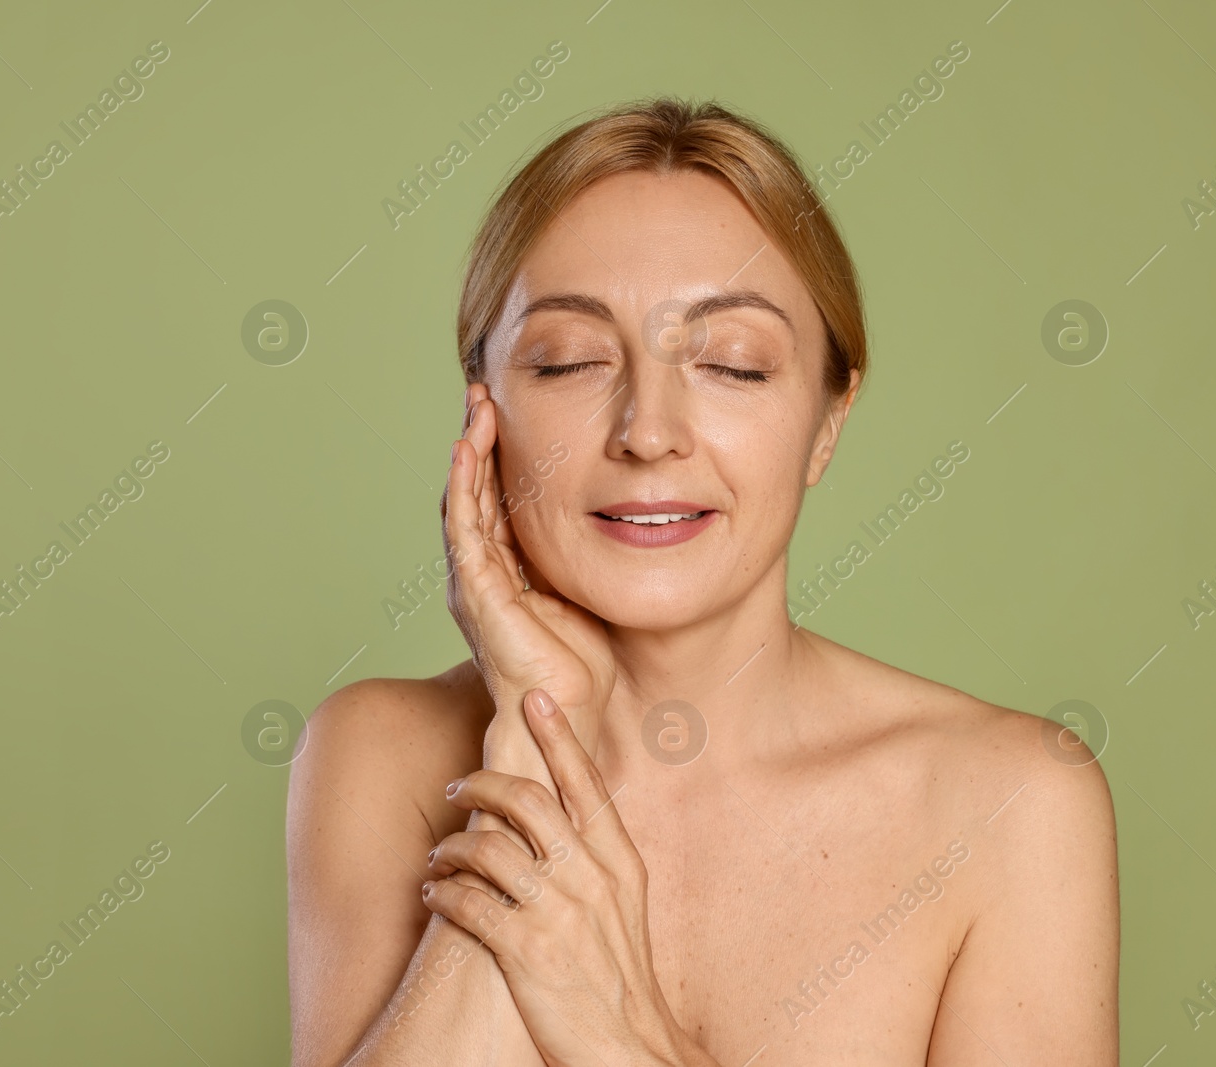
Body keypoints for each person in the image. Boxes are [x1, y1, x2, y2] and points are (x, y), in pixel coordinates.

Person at [287, 97, 1118, 1066]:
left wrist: (615, 1028)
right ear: (486, 410)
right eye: (570, 360)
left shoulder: (1009, 800)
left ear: (827, 421)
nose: (647, 430)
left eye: (733, 363)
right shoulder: (378, 752)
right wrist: (536, 737)